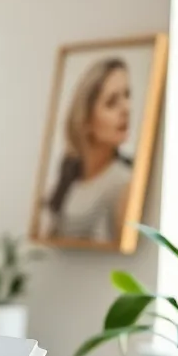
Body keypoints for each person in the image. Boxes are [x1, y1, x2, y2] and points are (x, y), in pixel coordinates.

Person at [39, 57, 134, 243]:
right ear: (86, 119)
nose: (126, 109)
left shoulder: (123, 183)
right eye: (111, 102)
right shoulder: (70, 180)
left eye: (127, 96)